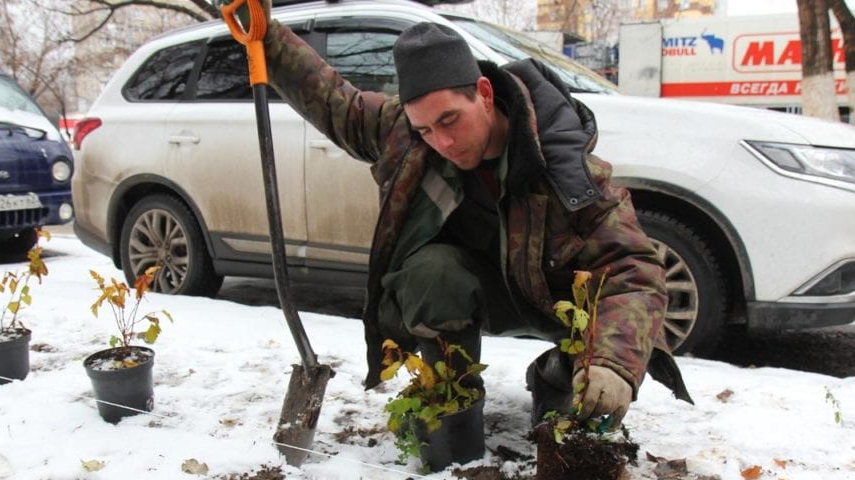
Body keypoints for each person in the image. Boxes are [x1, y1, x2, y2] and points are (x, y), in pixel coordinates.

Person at [251, 1, 689, 432]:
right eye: (425, 129)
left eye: (450, 121)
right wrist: (265, 35)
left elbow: (636, 269)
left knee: (587, 401)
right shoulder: (409, 136)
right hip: (477, 288)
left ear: (483, 93)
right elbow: (334, 101)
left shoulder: (565, 169)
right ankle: (453, 399)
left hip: (551, 299)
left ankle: (557, 374)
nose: (441, 141)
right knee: (430, 271)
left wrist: (611, 364)